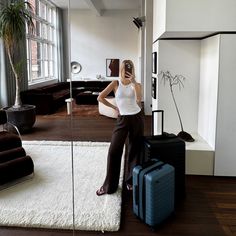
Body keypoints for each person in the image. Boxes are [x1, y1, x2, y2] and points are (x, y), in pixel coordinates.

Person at [96, 59, 144, 196]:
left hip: (137, 118)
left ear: (133, 70)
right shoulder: (115, 83)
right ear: (121, 69)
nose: (128, 71)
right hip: (122, 119)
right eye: (125, 69)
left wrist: (134, 83)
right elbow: (100, 97)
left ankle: (130, 181)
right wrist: (113, 107)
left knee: (134, 150)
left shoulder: (137, 85)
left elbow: (139, 101)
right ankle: (109, 186)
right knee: (114, 151)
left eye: (130, 69)